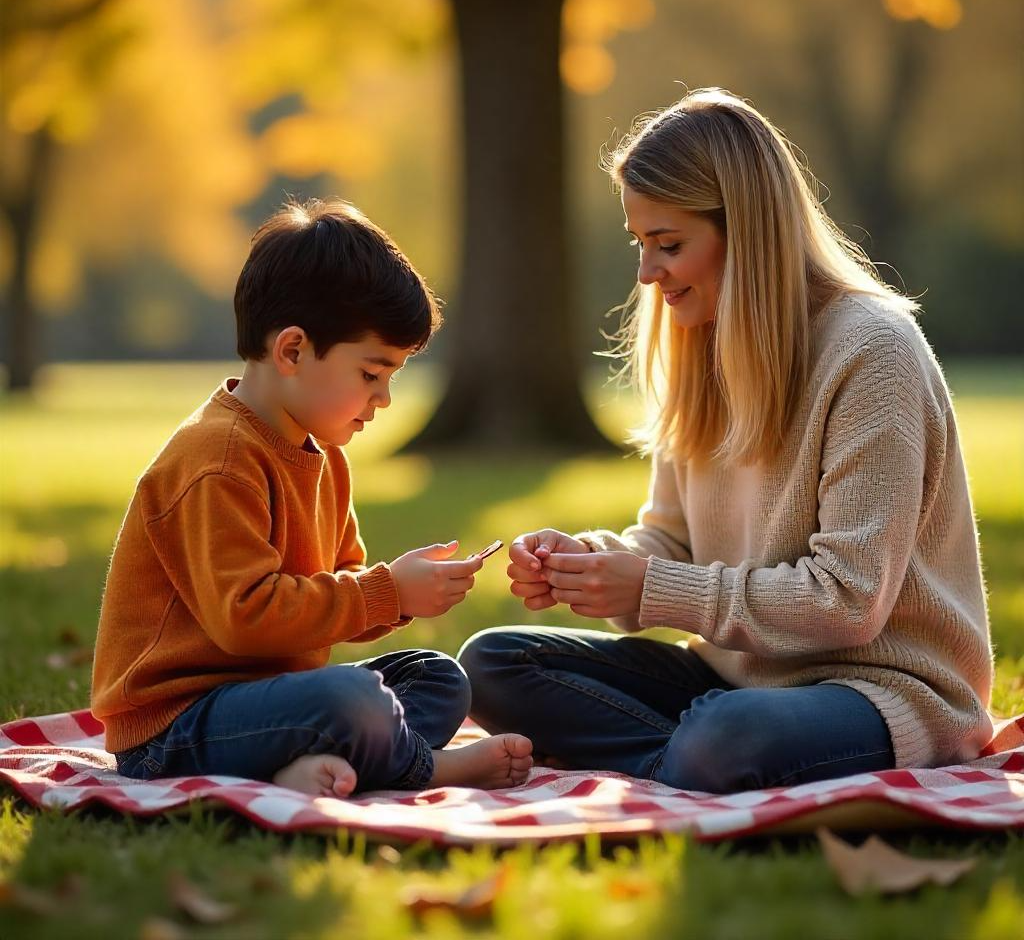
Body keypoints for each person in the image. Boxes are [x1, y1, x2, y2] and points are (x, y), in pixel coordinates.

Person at [458, 88, 993, 793]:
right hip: (731, 678)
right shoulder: (698, 345)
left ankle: (693, 758)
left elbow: (848, 601)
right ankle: (686, 763)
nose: (648, 275)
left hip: (881, 690)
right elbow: (672, 547)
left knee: (728, 735)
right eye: (640, 245)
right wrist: (590, 562)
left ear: (747, 231)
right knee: (492, 663)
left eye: (668, 245)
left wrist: (651, 588)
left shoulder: (874, 352)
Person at [91, 199, 532, 797]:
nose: (383, 400)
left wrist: (402, 595)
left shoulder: (322, 455)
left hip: (271, 704)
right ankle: (423, 767)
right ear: (293, 351)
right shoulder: (218, 458)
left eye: (391, 379)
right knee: (349, 700)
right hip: (174, 728)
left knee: (436, 678)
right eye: (371, 375)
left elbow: (340, 582)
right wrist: (385, 591)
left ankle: (304, 767)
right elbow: (246, 620)